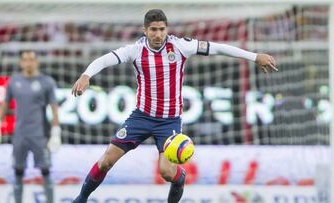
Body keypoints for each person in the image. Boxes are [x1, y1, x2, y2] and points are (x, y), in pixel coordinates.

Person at [71, 9, 277, 203]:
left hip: (169, 121)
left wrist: (254, 57)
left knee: (167, 172)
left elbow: (217, 48)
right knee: (107, 160)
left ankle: (180, 178)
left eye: (162, 29)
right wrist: (86, 75)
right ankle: (80, 199)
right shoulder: (135, 50)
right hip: (141, 117)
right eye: (153, 29)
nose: (158, 34)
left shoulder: (180, 46)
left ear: (166, 29)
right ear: (145, 30)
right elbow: (105, 60)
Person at [0, 50, 62, 203]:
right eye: (25, 60)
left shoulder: (46, 82)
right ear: (21, 63)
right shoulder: (14, 81)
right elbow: (5, 103)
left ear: (37, 62)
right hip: (20, 135)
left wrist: (56, 132)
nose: (28, 63)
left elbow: (54, 107)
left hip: (40, 134)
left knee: (45, 171)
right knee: (18, 171)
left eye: (31, 59)